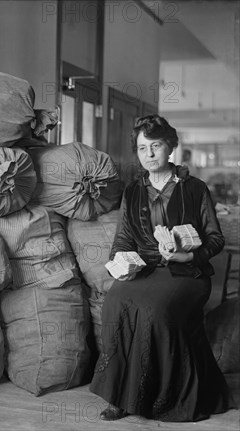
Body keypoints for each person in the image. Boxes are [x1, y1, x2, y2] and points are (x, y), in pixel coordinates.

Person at [91, 114, 229, 422]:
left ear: (170, 147)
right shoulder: (133, 192)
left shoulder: (194, 188)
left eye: (156, 146)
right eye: (142, 148)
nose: (149, 154)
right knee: (115, 301)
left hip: (187, 274)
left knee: (155, 310)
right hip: (147, 270)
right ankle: (120, 396)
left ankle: (157, 397)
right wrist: (120, 265)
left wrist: (187, 257)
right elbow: (123, 239)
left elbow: (215, 239)